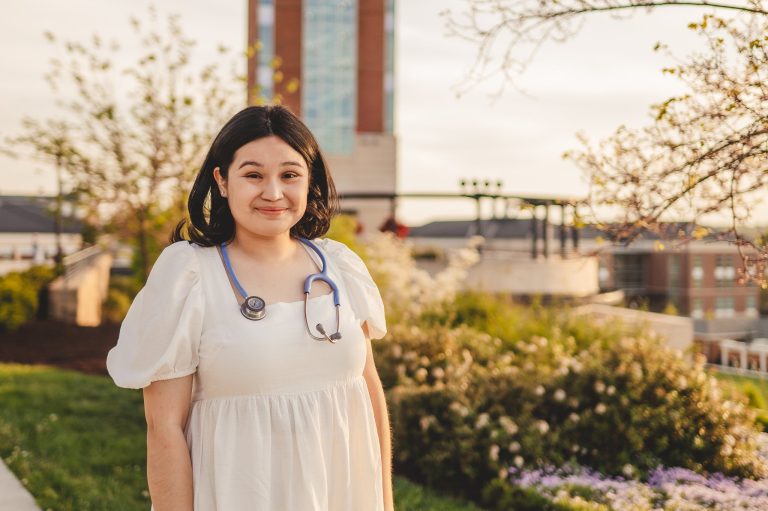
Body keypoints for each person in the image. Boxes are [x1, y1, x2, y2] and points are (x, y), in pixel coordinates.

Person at [106, 105, 393, 511]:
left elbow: (369, 393)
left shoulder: (340, 266)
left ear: (309, 180)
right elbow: (164, 428)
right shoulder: (189, 276)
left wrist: (385, 503)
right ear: (222, 181)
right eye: (254, 175)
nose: (273, 193)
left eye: (290, 175)